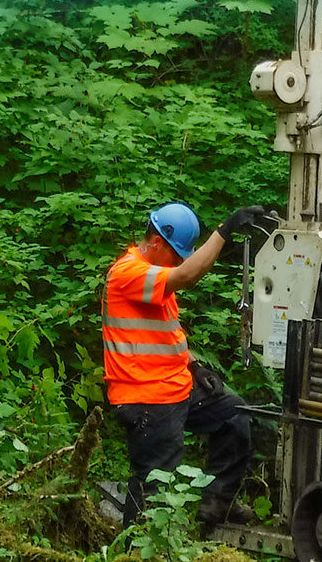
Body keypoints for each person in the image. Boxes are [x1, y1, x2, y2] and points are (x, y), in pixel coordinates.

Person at [102, 202, 266, 528]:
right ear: (158, 242)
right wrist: (225, 229)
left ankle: (218, 502)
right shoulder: (128, 273)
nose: (179, 261)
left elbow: (163, 331)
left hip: (177, 386)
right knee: (155, 486)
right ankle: (136, 548)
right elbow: (188, 274)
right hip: (147, 397)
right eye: (177, 254)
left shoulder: (153, 277)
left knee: (234, 416)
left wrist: (195, 368)